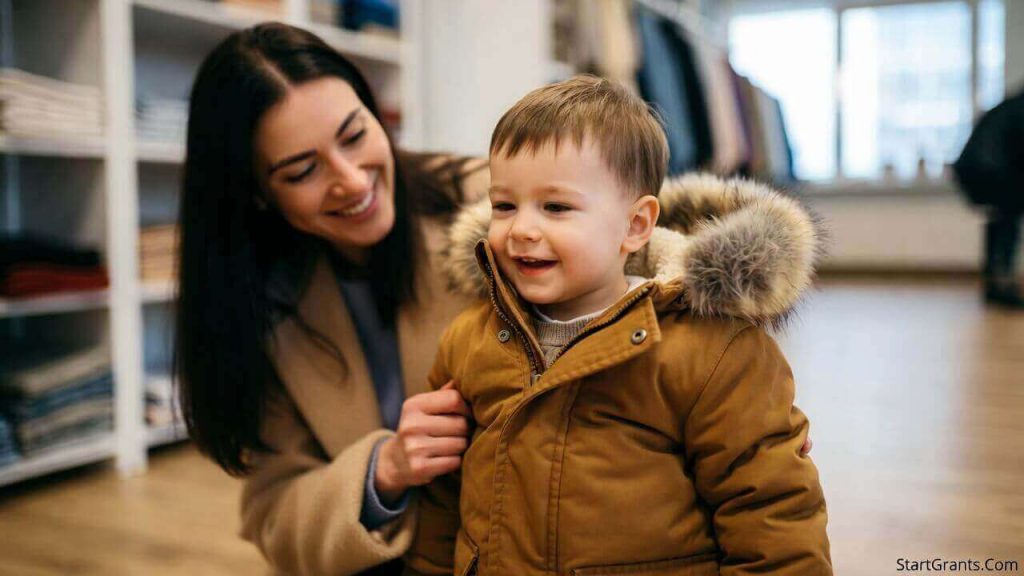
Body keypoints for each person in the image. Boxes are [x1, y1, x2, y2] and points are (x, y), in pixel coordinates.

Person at [175, 23, 815, 576]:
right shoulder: (256, 306)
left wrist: (735, 385)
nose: (351, 181)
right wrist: (384, 472)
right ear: (257, 192)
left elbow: (632, 229)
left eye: (354, 135)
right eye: (302, 170)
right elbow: (273, 511)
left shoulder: (491, 201)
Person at [403, 76, 831, 575]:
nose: (521, 229)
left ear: (635, 226)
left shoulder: (712, 351)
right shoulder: (471, 339)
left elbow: (770, 512)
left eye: (556, 207)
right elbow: (442, 501)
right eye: (503, 206)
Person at [953, 89, 1024, 309]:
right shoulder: (1020, 109)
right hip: (989, 169)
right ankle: (1001, 282)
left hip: (975, 168)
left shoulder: (1012, 105)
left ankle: (996, 280)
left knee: (1002, 217)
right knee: (1008, 215)